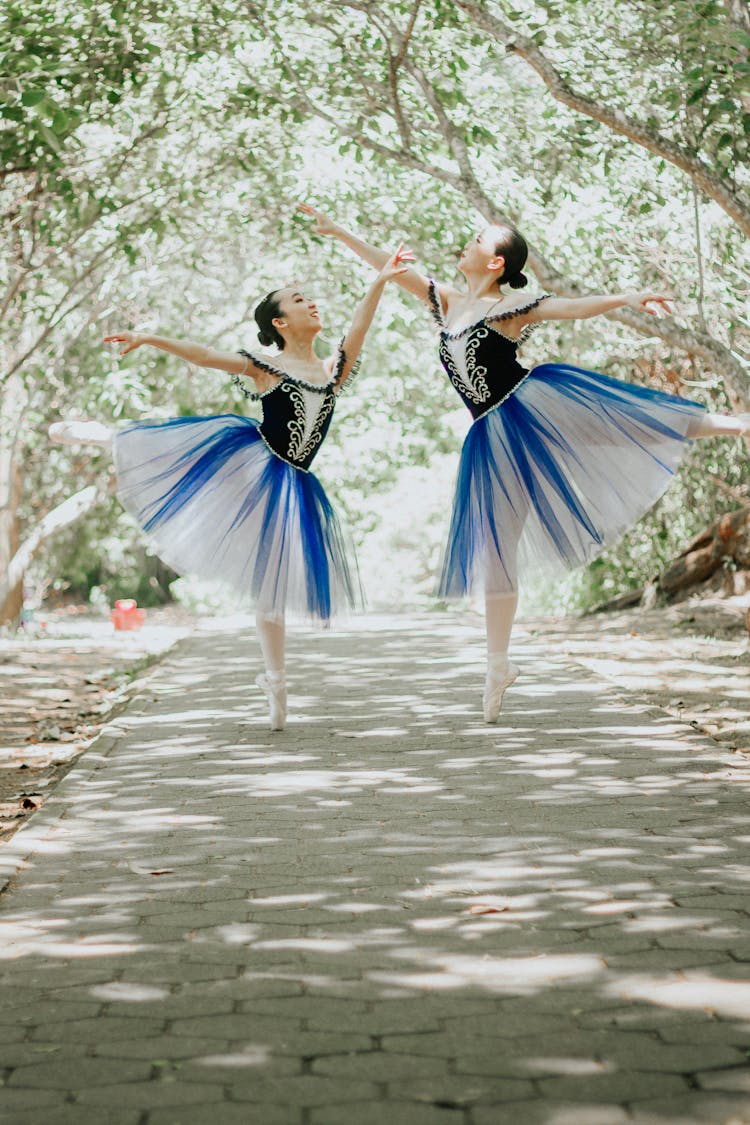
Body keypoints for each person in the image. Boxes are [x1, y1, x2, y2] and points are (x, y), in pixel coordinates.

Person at [299, 203, 750, 723]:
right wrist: (339, 231)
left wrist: (628, 297)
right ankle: (497, 667)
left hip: (531, 403)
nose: (467, 244)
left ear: (495, 264)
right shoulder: (446, 301)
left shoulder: (510, 307)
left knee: (633, 420)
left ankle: (737, 423)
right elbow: (393, 267)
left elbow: (573, 308)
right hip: (490, 434)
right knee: (496, 551)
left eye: (478, 241)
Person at [49, 245, 415, 731]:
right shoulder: (267, 367)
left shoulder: (332, 372)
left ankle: (275, 682)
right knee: (183, 448)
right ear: (280, 322)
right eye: (299, 300)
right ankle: (108, 436)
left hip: (296, 483)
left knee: (272, 588)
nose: (311, 304)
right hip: (251, 464)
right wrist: (150, 337)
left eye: (310, 298)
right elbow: (203, 356)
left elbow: (360, 329)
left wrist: (379, 281)